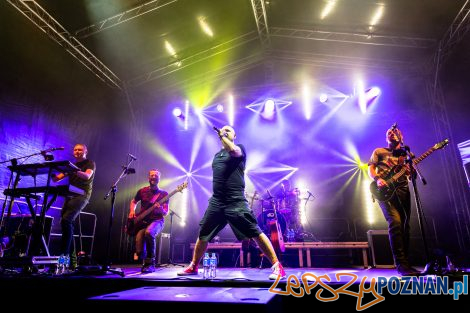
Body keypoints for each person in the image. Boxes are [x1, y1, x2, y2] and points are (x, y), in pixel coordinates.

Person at [177, 125, 286, 280]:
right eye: (223, 130)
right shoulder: (217, 155)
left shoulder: (239, 148)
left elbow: (234, 151)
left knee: (254, 231)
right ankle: (194, 266)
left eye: (228, 130)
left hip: (235, 200)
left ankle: (277, 266)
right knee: (203, 233)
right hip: (217, 201)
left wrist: (222, 136)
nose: (225, 131)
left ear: (234, 136)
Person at [368, 127, 420, 276]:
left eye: (394, 132)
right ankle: (401, 266)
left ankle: (407, 264)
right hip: (385, 192)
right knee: (395, 223)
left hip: (403, 190)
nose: (391, 134)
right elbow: (370, 169)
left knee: (405, 226)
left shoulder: (406, 154)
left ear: (401, 136)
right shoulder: (379, 151)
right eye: (388, 133)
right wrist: (378, 179)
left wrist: (412, 172)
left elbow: (412, 176)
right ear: (386, 138)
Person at [53, 144, 95, 269]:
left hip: (82, 195)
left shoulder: (90, 163)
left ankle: (63, 259)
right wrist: (51, 169)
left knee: (66, 221)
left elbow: (87, 175)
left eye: (80, 150)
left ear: (85, 151)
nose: (77, 151)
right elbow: (56, 179)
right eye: (75, 149)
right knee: (65, 224)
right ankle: (71, 262)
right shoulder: (70, 165)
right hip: (70, 195)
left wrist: (73, 169)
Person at [128, 169, 168, 273]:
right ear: (148, 178)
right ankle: (145, 262)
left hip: (157, 221)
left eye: (156, 175)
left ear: (159, 178)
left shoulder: (164, 194)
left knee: (149, 233)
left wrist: (160, 210)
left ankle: (151, 263)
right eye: (152, 175)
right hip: (143, 223)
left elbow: (165, 212)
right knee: (139, 250)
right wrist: (132, 210)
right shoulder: (142, 191)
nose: (154, 177)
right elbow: (133, 201)